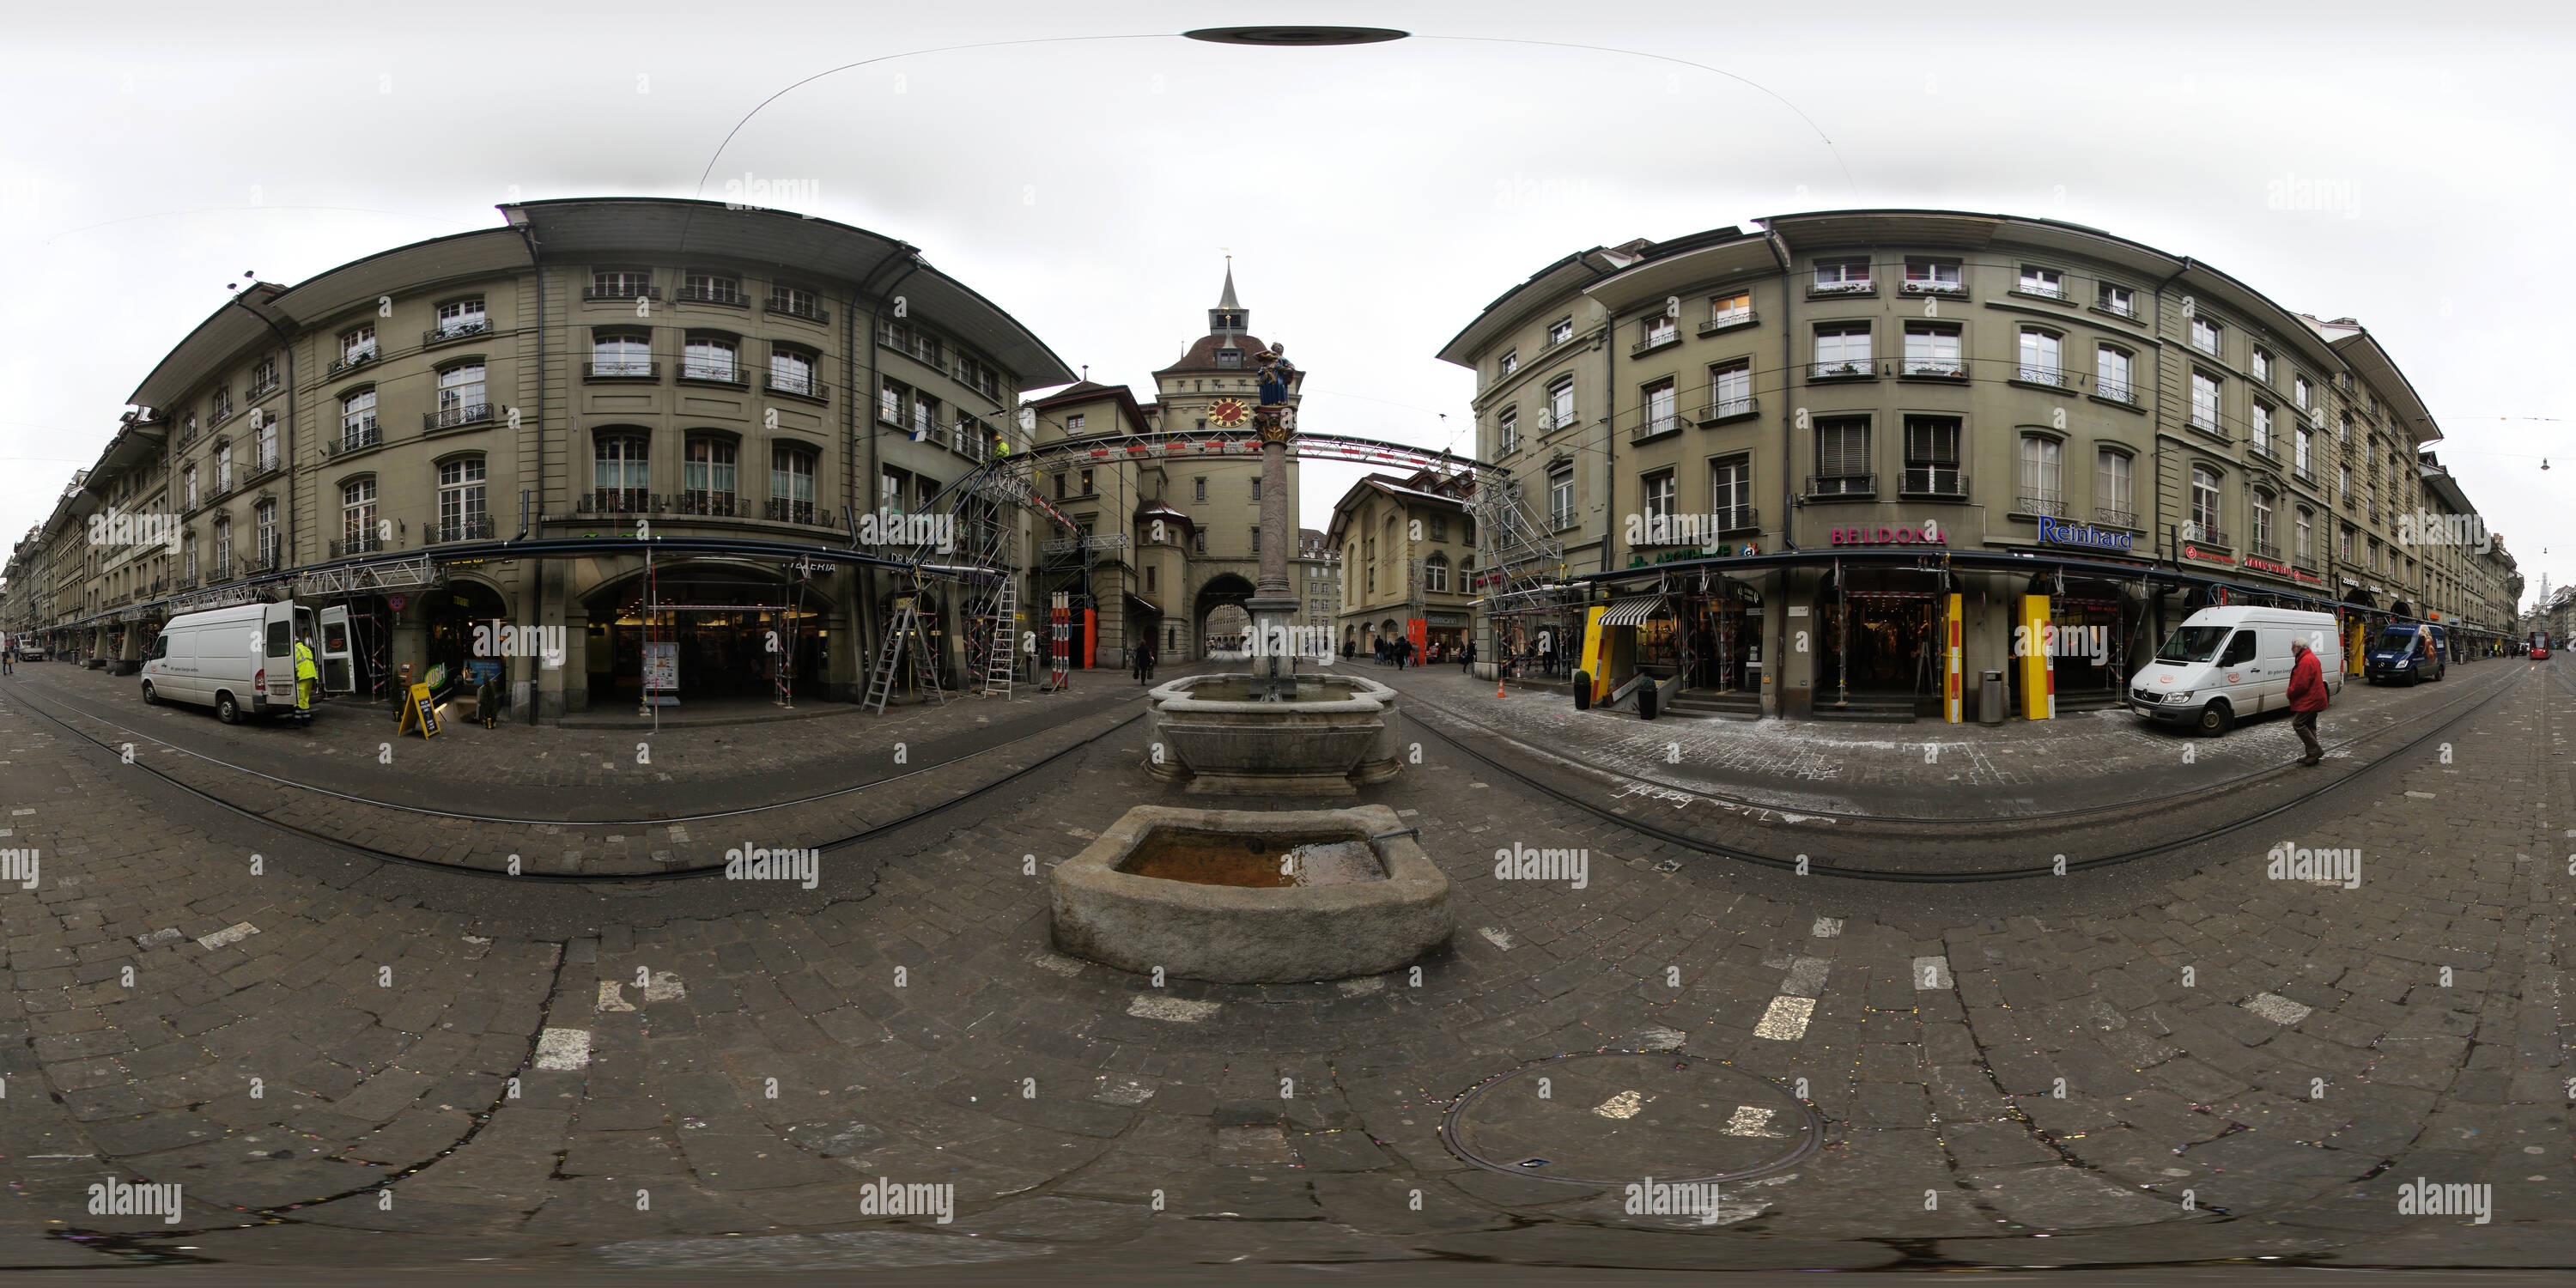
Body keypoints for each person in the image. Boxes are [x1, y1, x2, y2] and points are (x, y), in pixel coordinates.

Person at [2286, 635, 2330, 766]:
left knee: (2298, 723)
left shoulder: (2305, 661)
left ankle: (2315, 751)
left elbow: (2301, 684)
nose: (2291, 649)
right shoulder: (2309, 658)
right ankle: (2312, 755)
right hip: (2315, 698)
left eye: (2293, 647)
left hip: (2311, 700)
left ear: (2298, 647)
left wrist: (2290, 693)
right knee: (2309, 725)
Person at [293, 628, 320, 728]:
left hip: (302, 676)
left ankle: (296, 721)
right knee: (305, 699)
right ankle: (306, 720)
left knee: (298, 700)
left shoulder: (295, 650)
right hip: (311, 676)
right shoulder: (306, 649)